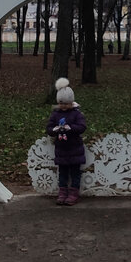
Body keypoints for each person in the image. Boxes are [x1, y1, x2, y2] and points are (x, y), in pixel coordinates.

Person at [46, 77, 86, 206]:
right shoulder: (55, 114)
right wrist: (55, 129)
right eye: (61, 103)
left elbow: (82, 127)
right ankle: (62, 192)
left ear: (71, 102)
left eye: (66, 104)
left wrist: (71, 128)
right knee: (62, 173)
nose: (63, 106)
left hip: (75, 148)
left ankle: (74, 193)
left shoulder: (76, 114)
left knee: (75, 173)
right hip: (61, 149)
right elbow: (49, 128)